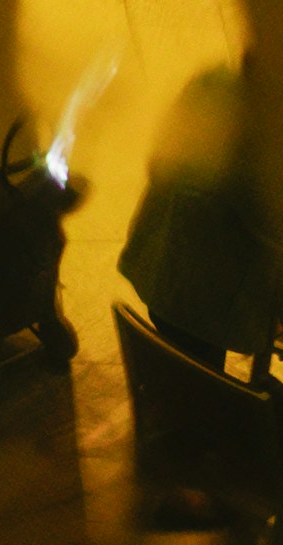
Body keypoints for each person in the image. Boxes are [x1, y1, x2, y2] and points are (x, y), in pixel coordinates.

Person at [119, 57, 281, 374]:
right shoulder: (267, 139)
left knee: (186, 367)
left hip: (160, 265)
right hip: (204, 305)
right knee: (197, 374)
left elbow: (158, 161)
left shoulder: (210, 84)